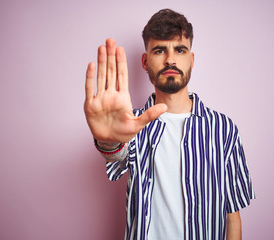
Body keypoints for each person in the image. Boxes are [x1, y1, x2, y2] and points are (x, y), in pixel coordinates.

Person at [84, 9, 255, 240]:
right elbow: (116, 155)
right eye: (160, 50)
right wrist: (107, 140)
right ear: (145, 61)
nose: (170, 59)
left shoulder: (224, 129)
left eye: (180, 49)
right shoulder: (131, 125)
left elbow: (232, 216)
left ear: (191, 60)